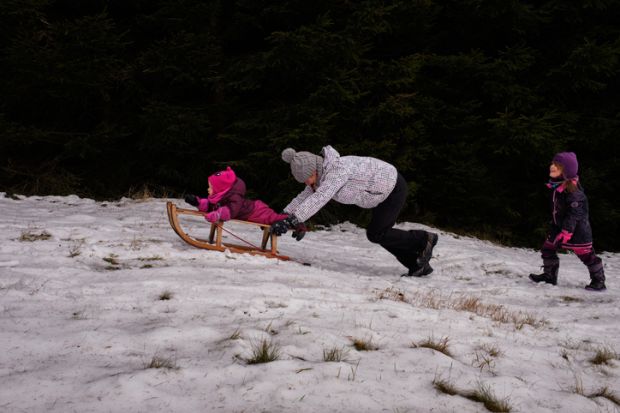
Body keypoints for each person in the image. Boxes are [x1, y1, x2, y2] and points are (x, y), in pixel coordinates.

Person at [271, 145, 438, 276]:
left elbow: (321, 198)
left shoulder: (337, 171)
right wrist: (284, 215)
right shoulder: (321, 177)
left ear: (314, 170)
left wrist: (293, 220)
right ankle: (417, 265)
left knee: (377, 233)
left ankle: (424, 239)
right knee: (377, 233)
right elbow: (305, 196)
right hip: (379, 194)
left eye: (306, 179)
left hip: (393, 188)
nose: (307, 183)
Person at [529, 152, 606, 291]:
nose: (552, 166)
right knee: (547, 249)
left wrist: (567, 231)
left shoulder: (575, 193)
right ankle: (549, 276)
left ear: (566, 172)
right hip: (558, 228)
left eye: (557, 166)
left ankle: (598, 281)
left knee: (587, 256)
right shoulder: (557, 187)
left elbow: (574, 215)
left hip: (577, 232)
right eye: (552, 163)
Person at [184, 166, 290, 226]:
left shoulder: (234, 197)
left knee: (273, 218)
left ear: (220, 189)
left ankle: (294, 221)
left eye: (211, 187)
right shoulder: (221, 196)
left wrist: (217, 215)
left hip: (256, 212)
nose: (208, 189)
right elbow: (210, 205)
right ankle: (291, 220)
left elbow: (230, 211)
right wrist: (196, 202)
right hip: (252, 211)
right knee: (272, 218)